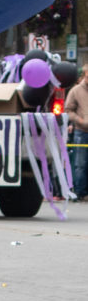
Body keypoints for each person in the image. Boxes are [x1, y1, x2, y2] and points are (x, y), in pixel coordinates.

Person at [66, 64, 88, 200]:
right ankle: (81, 192)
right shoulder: (76, 91)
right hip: (82, 131)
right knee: (81, 163)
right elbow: (68, 110)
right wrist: (79, 120)